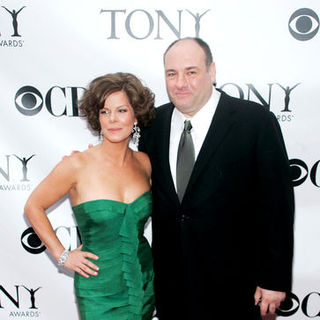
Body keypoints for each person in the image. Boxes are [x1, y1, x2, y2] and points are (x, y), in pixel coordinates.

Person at [139, 37, 295, 320]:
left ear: (211, 72)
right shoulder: (153, 124)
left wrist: (274, 278)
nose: (180, 82)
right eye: (171, 74)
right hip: (173, 288)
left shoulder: (254, 121)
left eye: (191, 72)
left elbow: (278, 206)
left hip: (237, 287)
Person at [24, 72, 156, 320]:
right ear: (97, 117)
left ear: (136, 115)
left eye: (121, 111)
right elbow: (33, 206)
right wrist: (63, 255)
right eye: (104, 112)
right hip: (98, 287)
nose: (112, 120)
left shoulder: (145, 163)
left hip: (143, 278)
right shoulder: (77, 165)